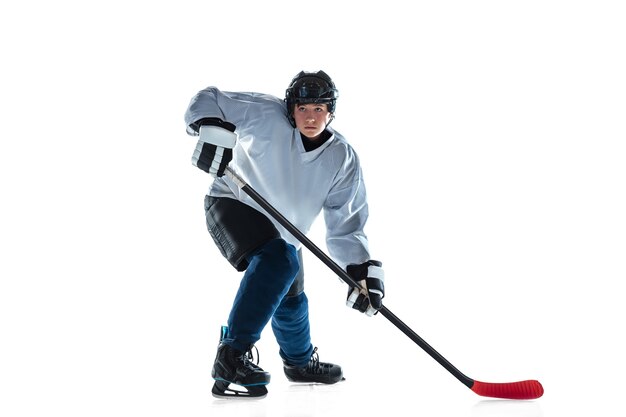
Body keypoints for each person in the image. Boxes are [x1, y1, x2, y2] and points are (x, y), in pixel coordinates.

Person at [183, 70, 385, 399]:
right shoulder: (265, 113)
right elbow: (209, 98)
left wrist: (359, 271)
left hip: (287, 233)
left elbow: (345, 220)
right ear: (290, 109)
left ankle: (299, 362)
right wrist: (211, 128)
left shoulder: (342, 158)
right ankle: (231, 356)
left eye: (319, 109)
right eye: (303, 108)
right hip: (232, 201)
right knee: (280, 261)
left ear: (331, 112)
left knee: (290, 296)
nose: (310, 116)